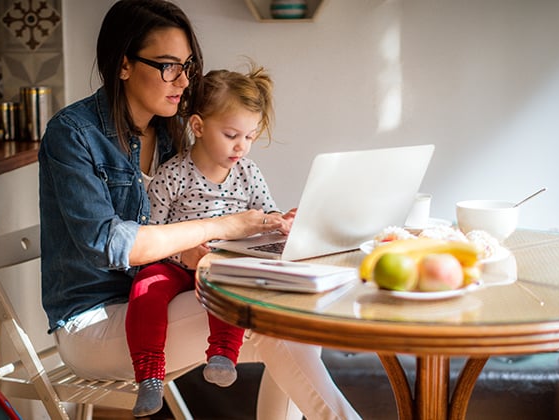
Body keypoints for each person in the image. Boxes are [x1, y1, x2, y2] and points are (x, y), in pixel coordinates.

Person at [37, 1, 361, 419]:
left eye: (187, 65)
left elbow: (197, 218)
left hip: (169, 296)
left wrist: (271, 230)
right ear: (123, 65)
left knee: (284, 314)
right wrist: (228, 225)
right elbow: (112, 244)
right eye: (169, 66)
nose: (184, 80)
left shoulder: (172, 130)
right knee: (268, 316)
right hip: (96, 321)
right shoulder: (73, 134)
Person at [126, 63, 296, 416]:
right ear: (199, 126)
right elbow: (152, 237)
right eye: (233, 135)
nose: (242, 147)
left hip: (221, 265)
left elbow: (266, 215)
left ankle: (222, 354)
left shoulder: (248, 173)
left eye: (249, 137)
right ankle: (150, 376)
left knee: (231, 285)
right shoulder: (172, 174)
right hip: (174, 265)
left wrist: (282, 222)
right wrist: (184, 257)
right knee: (145, 288)